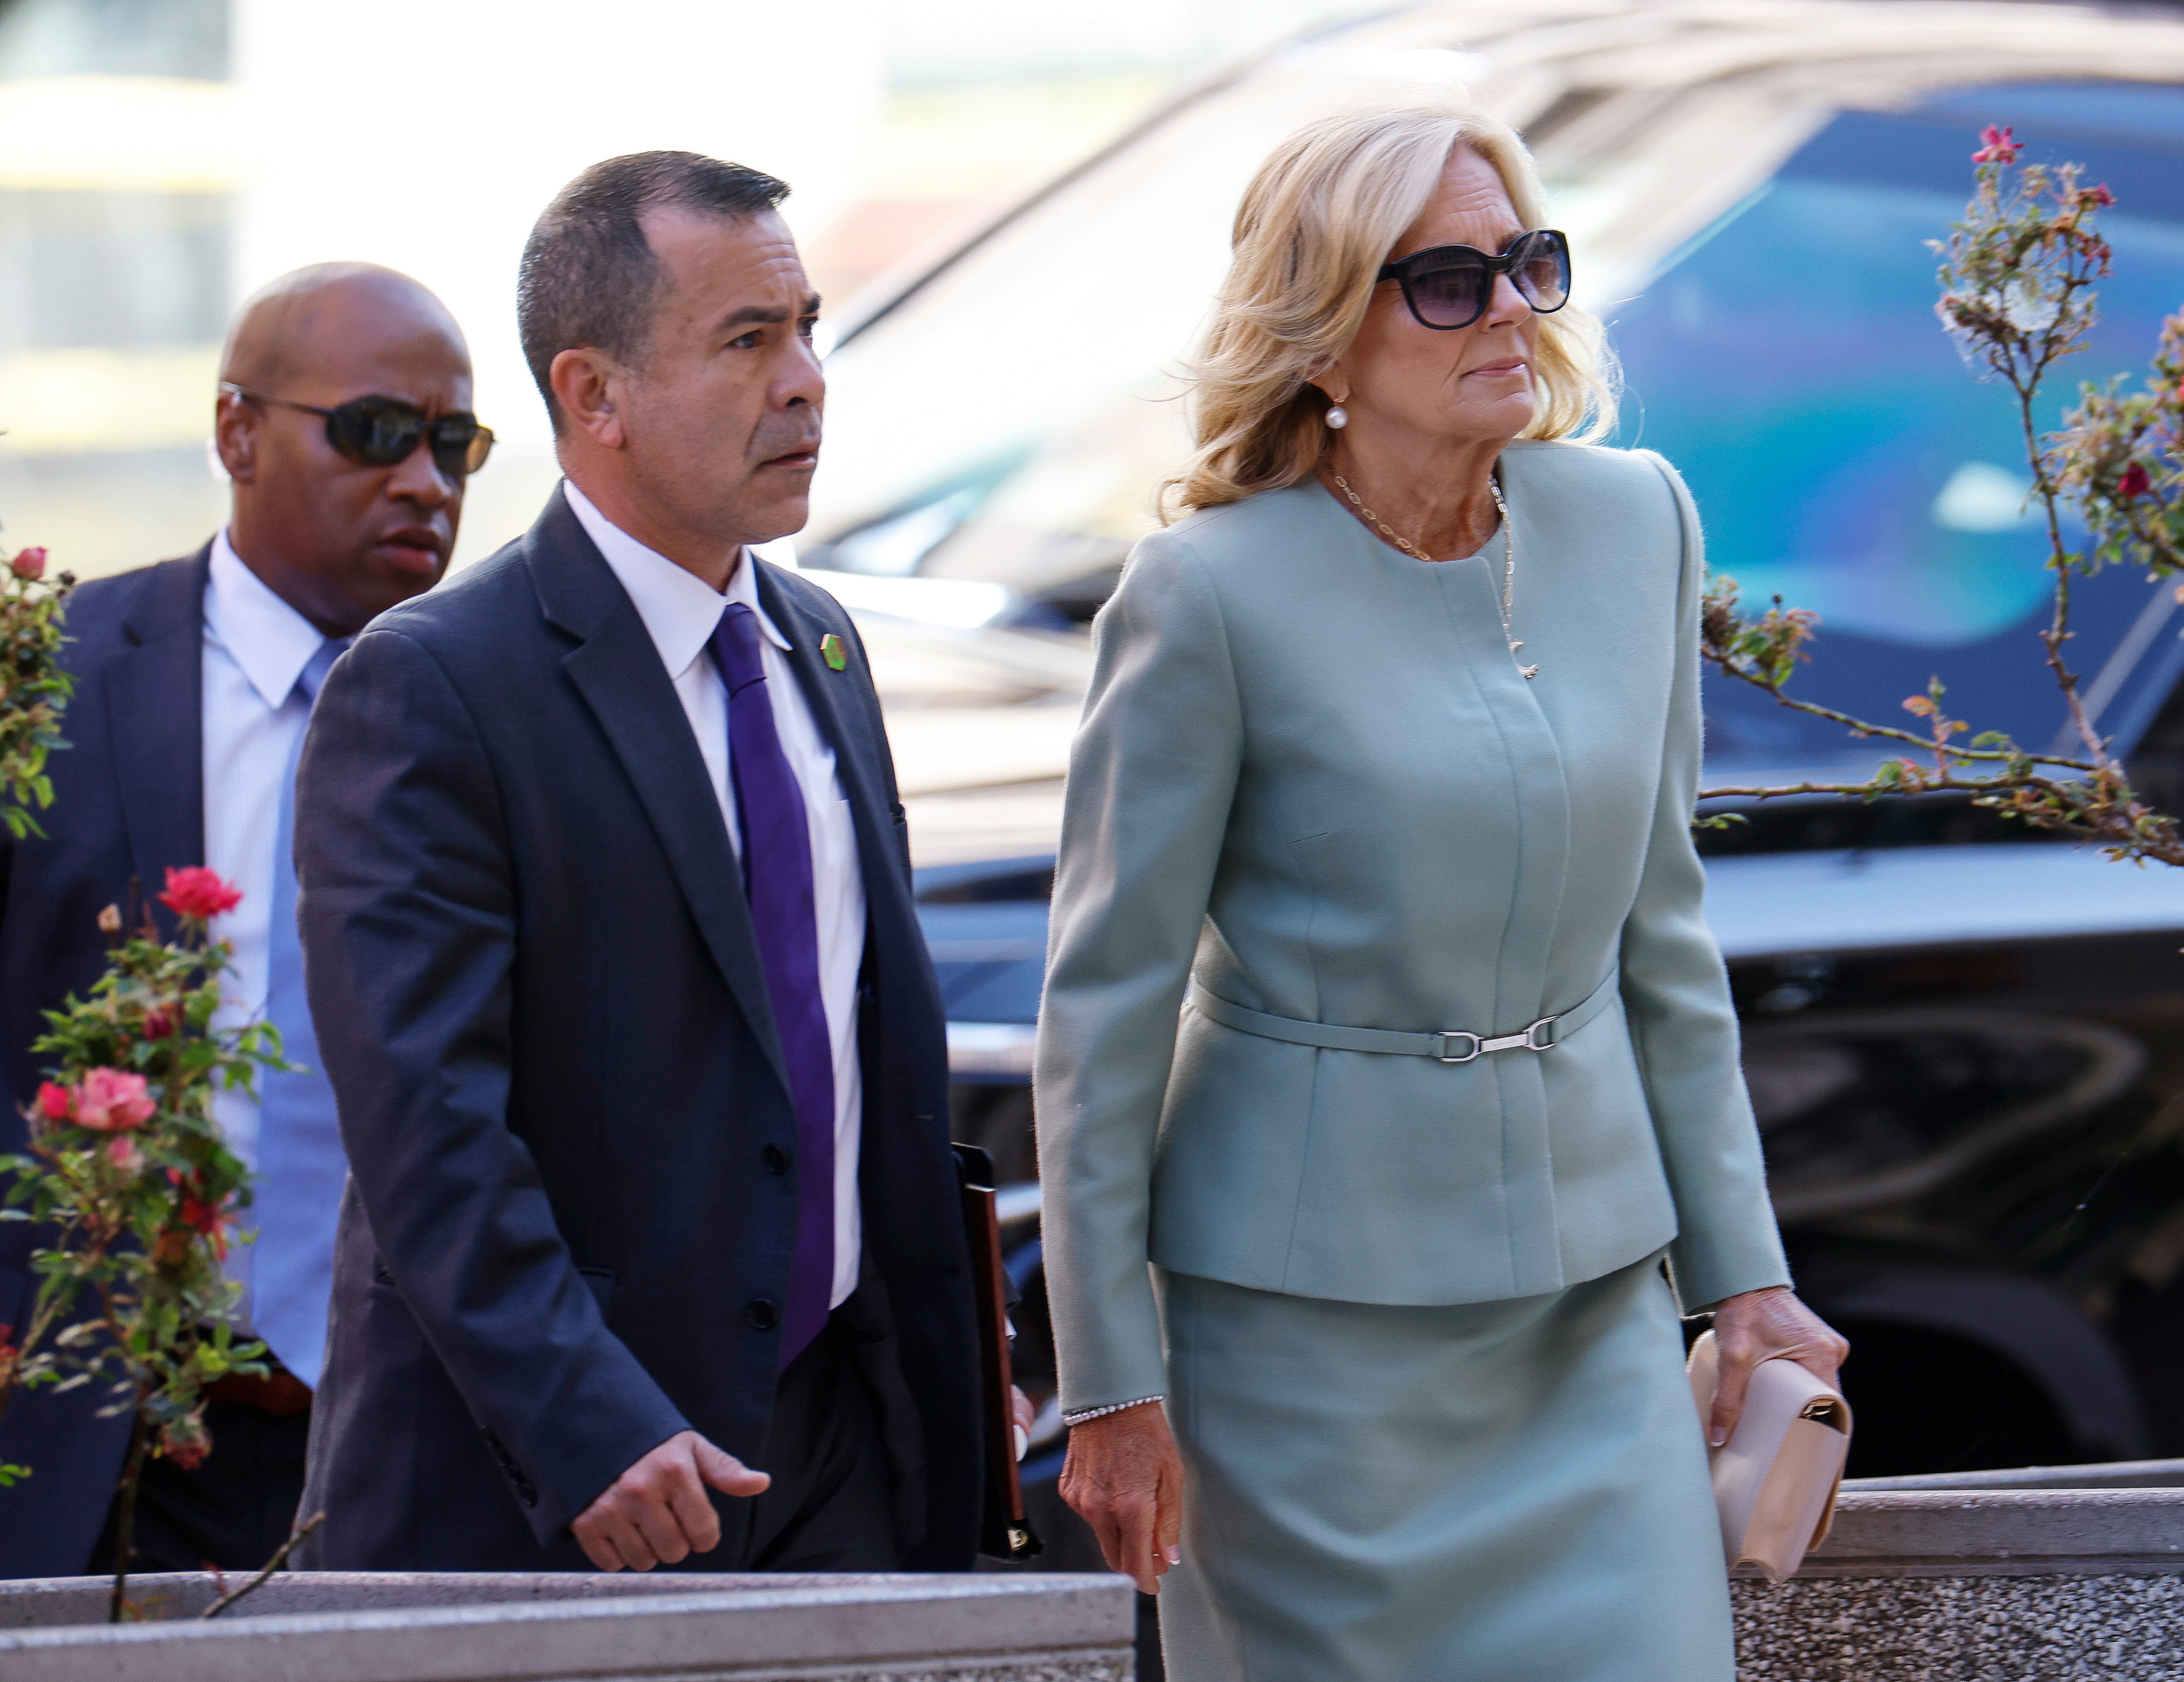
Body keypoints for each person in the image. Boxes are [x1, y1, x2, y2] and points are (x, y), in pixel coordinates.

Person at [1036, 104, 1849, 1679]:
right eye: (1447, 282)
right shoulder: (1204, 597)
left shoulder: (1638, 521)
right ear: (1322, 336)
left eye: (1527, 264)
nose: (1512, 313)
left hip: (1593, 1320)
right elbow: (1102, 1023)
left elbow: (1662, 940)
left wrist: (1744, 1274)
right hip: (1296, 1363)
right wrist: (1108, 1387)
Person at [292, 151, 994, 1574]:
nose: (803, 379)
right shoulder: (431, 686)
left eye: (806, 326)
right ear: (590, 394)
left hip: (842, 1456)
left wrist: (956, 1388)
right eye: (746, 340)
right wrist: (587, 1422)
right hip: (566, 1485)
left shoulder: (829, 651)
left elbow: (871, 1070)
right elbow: (427, 1126)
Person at [0, 264, 481, 1577]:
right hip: (94, 1444)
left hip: (412, 1446)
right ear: (235, 431)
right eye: (377, 432)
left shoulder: (505, 710)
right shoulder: (49, 678)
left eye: (455, 445)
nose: (426, 482)